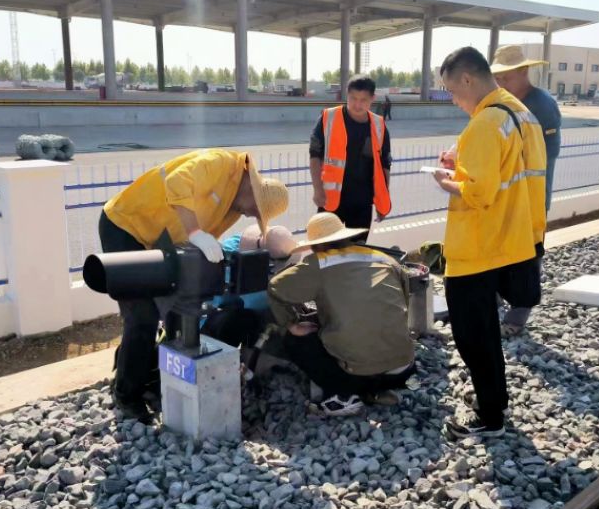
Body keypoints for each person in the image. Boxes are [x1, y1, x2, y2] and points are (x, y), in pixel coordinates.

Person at [99, 148, 289, 422]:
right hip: (125, 225)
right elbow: (176, 182)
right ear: (251, 188)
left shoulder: (232, 206)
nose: (250, 215)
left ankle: (150, 372)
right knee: (142, 316)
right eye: (254, 209)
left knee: (178, 311)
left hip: (159, 241)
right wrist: (195, 233)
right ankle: (126, 394)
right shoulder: (220, 164)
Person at [432, 46, 543, 439]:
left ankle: (490, 416)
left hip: (478, 246)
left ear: (467, 79)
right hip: (512, 238)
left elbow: (478, 193)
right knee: (487, 330)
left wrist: (446, 180)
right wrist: (461, 165)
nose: (453, 99)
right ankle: (492, 398)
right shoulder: (520, 114)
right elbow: (507, 173)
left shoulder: (483, 124)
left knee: (473, 334)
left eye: (452, 90)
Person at [267, 212, 416, 416]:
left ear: (316, 245)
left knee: (296, 339)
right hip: (402, 368)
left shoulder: (319, 262)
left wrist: (291, 323)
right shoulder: (384, 258)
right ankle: (375, 391)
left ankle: (342, 395)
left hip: (355, 374)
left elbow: (276, 287)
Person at [490, 44, 560, 333]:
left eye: (507, 77)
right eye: (498, 77)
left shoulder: (541, 105)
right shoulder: (502, 102)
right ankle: (492, 303)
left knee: (528, 257)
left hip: (530, 199)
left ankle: (517, 317)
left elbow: (547, 155)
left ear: (523, 71)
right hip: (504, 195)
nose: (501, 82)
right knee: (496, 252)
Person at [309, 74, 392, 242]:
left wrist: (383, 200)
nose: (357, 104)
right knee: (326, 252)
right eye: (353, 98)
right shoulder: (328, 118)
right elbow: (314, 155)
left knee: (357, 253)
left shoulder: (378, 125)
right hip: (330, 201)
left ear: (372, 99)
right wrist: (317, 189)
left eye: (363, 100)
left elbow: (385, 165)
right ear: (346, 94)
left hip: (362, 203)